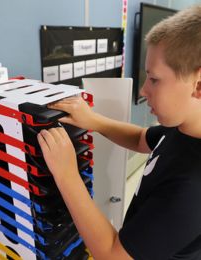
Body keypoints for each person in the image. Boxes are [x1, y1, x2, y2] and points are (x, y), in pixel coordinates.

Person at [37, 5, 201, 260]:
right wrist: (93, 120)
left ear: (198, 85)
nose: (144, 90)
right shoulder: (182, 129)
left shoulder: (192, 188)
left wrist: (67, 174)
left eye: (154, 79)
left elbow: (114, 255)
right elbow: (140, 138)